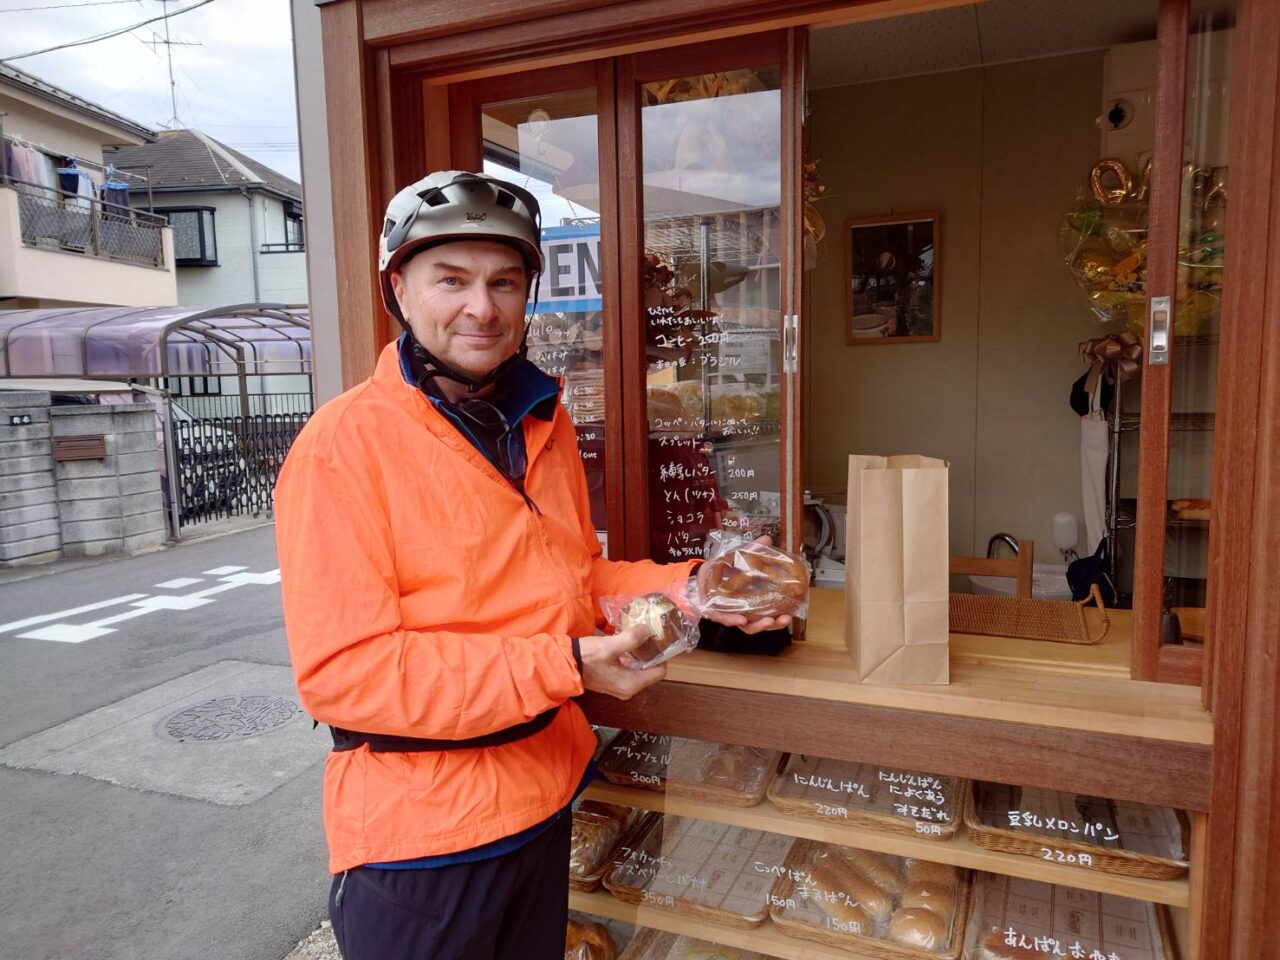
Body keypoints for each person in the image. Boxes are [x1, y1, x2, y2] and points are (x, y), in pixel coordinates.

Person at [274, 170, 790, 960]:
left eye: (504, 282)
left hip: (546, 805)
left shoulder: (536, 425)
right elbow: (348, 672)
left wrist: (695, 588)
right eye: (452, 279)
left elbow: (577, 582)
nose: (482, 307)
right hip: (424, 844)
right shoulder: (343, 448)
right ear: (399, 289)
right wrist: (566, 664)